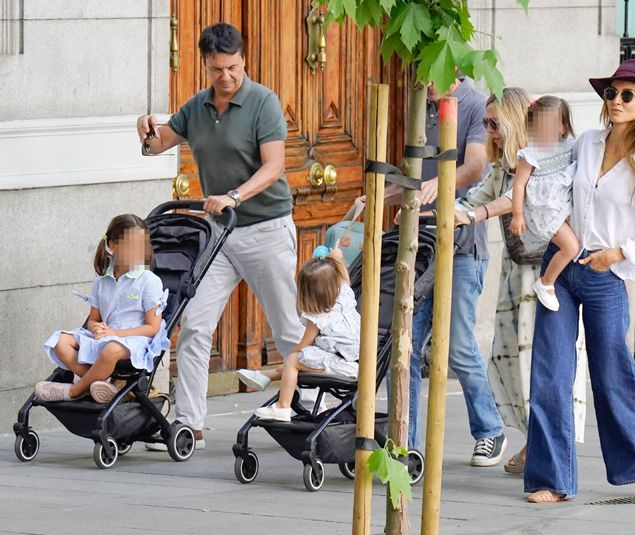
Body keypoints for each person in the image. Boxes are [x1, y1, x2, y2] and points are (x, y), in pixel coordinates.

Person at [137, 23, 304, 449]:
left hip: (265, 228)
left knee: (287, 330)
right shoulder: (197, 106)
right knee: (194, 326)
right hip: (219, 237)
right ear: (206, 65)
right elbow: (160, 144)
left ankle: (308, 408)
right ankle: (189, 424)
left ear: (243, 59)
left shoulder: (263, 102)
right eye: (216, 69)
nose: (226, 77)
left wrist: (234, 195)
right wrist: (147, 133)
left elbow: (274, 168)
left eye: (232, 67)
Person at [525, 59, 635, 503]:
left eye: (626, 95)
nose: (615, 101)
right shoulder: (586, 143)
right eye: (610, 93)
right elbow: (542, 177)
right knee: (550, 373)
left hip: (605, 272)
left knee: (613, 373)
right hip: (561, 265)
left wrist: (618, 255)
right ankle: (552, 480)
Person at [364, 78, 507, 466]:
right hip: (418, 243)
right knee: (403, 344)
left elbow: (477, 167)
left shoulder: (476, 103)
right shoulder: (417, 101)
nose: (424, 84)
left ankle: (490, 429)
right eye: (418, 74)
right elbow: (416, 180)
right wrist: (381, 194)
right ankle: (403, 444)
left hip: (461, 247)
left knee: (458, 345)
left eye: (430, 76)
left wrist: (434, 186)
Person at [455, 88, 588, 474]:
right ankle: (536, 441)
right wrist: (432, 205)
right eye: (485, 123)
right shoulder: (505, 166)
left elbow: (517, 202)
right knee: (513, 361)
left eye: (494, 123)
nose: (489, 131)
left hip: (546, 273)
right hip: (515, 271)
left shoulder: (541, 157)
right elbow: (475, 197)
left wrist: (477, 213)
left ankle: (548, 448)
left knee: (541, 361)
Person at [35, 215, 170, 404]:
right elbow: (93, 319)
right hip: (106, 336)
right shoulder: (102, 281)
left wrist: (115, 333)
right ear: (114, 245)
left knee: (111, 349)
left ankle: (75, 390)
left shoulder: (149, 281)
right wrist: (95, 329)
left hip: (135, 340)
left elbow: (152, 328)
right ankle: (104, 385)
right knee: (58, 341)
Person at [236, 244, 360, 422]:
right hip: (358, 362)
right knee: (300, 359)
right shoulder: (345, 294)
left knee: (294, 359)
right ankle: (266, 376)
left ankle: (282, 406)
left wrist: (288, 361)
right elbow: (344, 276)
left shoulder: (318, 316)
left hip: (347, 367)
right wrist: (337, 259)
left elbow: (303, 345)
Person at [509, 96, 578, 311]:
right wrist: (517, 214)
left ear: (563, 126)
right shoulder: (530, 154)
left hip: (562, 205)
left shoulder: (571, 146)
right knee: (571, 247)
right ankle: (546, 282)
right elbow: (519, 185)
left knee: (575, 242)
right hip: (543, 212)